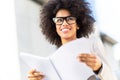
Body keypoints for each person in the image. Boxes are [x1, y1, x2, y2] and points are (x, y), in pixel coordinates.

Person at [28, 0, 117, 80]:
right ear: (54, 26)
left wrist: (99, 67)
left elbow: (112, 78)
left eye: (70, 19)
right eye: (59, 20)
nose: (64, 23)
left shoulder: (92, 44)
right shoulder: (52, 59)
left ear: (78, 24)